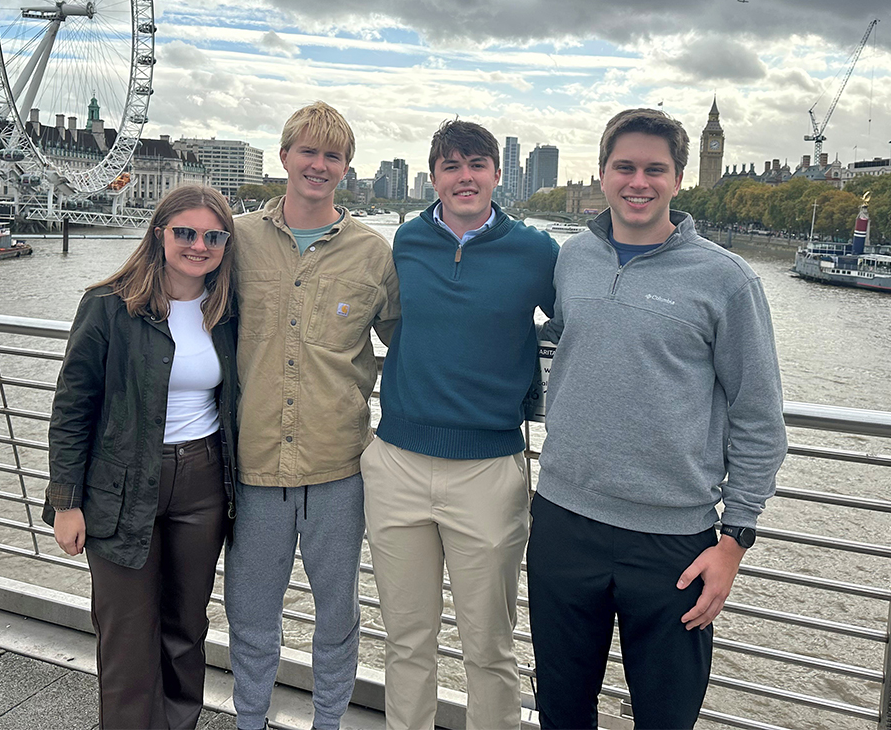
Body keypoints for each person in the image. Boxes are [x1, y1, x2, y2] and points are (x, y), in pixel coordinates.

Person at [528, 108, 788, 730]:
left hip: (673, 542)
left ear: (678, 179)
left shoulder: (727, 280)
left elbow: (760, 420)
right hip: (564, 522)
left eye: (654, 169)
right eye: (624, 167)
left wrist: (736, 540)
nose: (637, 182)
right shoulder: (572, 261)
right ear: (602, 173)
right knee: (562, 709)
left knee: (666, 716)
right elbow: (557, 349)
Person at [361, 119, 559, 729]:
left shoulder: (537, 251)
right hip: (397, 463)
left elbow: (585, 325)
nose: (464, 176)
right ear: (434, 176)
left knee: (490, 648)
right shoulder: (402, 244)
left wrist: (531, 360)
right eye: (451, 165)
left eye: (477, 164)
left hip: (489, 471)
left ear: (498, 174)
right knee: (406, 641)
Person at [226, 101, 400, 730]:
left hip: (338, 465)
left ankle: (330, 723)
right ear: (285, 157)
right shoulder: (236, 239)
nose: (319, 166)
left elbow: (406, 345)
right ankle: (251, 720)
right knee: (249, 614)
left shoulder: (373, 255)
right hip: (252, 465)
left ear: (346, 169)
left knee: (338, 615)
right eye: (309, 151)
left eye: (333, 156)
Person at [44, 184, 239, 729]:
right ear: (159, 235)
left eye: (213, 236)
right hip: (119, 483)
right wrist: (66, 501)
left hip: (202, 483)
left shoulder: (226, 310)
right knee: (126, 636)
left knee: (184, 631)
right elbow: (72, 406)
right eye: (185, 232)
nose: (199, 245)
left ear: (225, 244)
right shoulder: (108, 305)